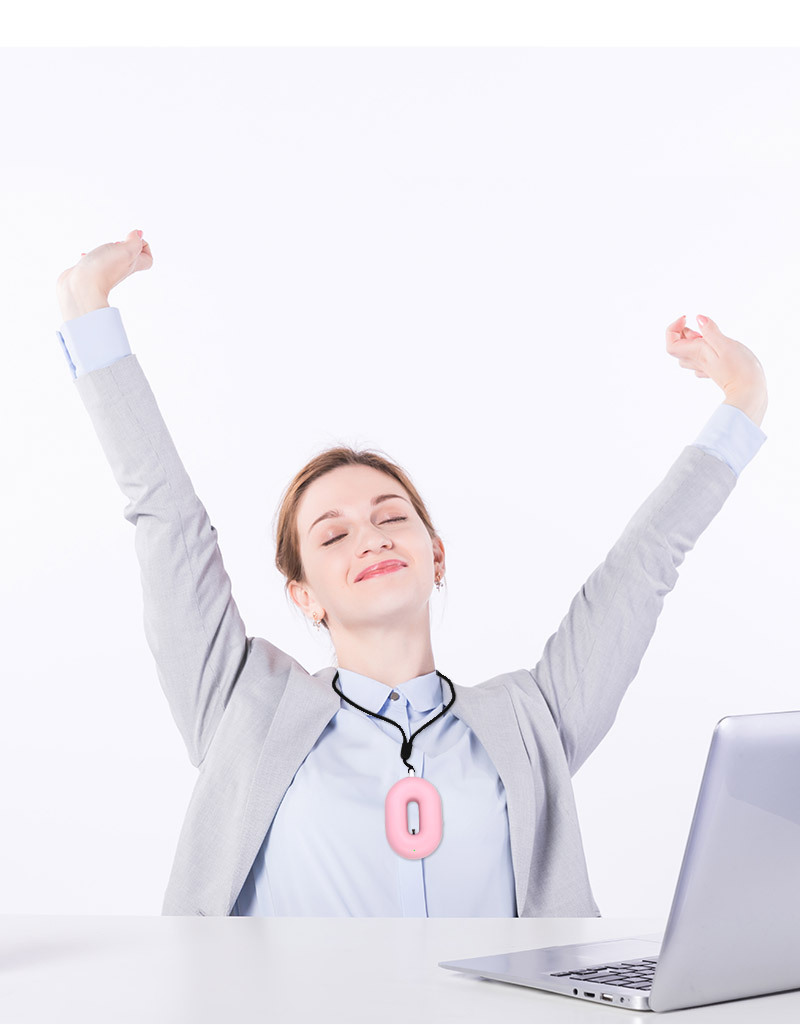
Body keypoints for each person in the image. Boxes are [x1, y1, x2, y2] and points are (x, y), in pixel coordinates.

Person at [55, 229, 768, 918]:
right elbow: (167, 518)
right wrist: (89, 308)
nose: (370, 537)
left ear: (436, 555)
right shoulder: (242, 706)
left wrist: (744, 399)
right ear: (304, 595)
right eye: (334, 534)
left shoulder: (531, 720)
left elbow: (642, 568)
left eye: (392, 517)